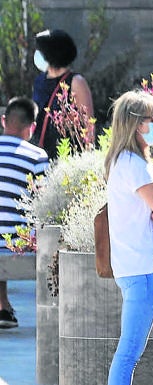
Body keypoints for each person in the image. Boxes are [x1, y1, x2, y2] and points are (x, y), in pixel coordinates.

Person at [104, 90, 153, 384]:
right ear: (136, 124)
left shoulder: (121, 161)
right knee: (129, 352)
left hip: (131, 265)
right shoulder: (135, 166)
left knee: (130, 350)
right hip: (141, 269)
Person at [0, 97, 49, 329]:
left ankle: (3, 306)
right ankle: (3, 307)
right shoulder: (38, 157)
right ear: (33, 127)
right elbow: (44, 204)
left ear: (3, 121)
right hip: (21, 245)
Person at [31, 29, 94, 159]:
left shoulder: (76, 82)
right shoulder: (39, 81)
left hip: (66, 156)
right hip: (39, 155)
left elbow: (88, 126)